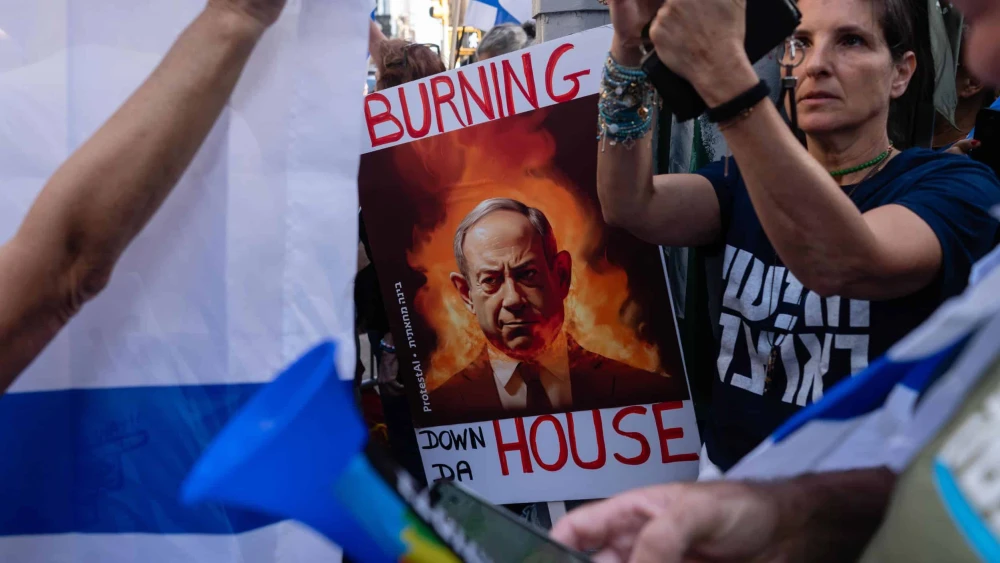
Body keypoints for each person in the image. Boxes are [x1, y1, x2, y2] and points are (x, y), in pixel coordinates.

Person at [550, 0, 1000, 560]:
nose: (816, 64)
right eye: (801, 43)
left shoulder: (954, 185)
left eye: (851, 42)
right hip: (725, 491)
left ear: (902, 72)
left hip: (852, 520)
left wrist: (726, 83)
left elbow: (846, 259)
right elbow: (631, 204)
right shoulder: (742, 181)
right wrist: (629, 52)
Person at [0, 0, 286, 395]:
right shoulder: (224, 126)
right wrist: (238, 18)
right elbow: (262, 289)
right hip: (195, 409)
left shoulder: (13, 109)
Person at [430, 198, 685, 425]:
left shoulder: (648, 393)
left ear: (561, 275)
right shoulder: (440, 410)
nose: (512, 299)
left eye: (527, 274)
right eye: (490, 280)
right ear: (466, 294)